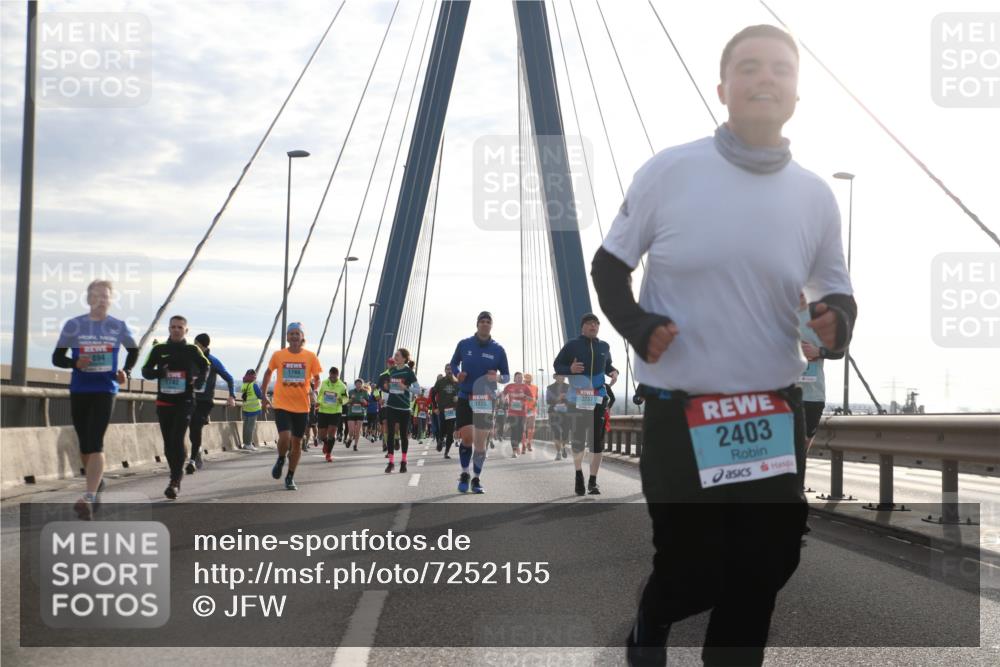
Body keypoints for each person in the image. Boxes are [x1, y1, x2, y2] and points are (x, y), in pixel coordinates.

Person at [590, 25, 856, 666]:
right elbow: (608, 267)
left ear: (796, 93)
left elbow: (838, 294)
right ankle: (651, 620)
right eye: (749, 67)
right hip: (683, 410)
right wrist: (636, 323)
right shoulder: (670, 171)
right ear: (723, 88)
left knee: (767, 563)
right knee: (694, 568)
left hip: (768, 407)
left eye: (780, 69)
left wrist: (835, 323)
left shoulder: (816, 196)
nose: (766, 78)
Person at [52, 279, 139, 519]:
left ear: (111, 300)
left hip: (106, 389)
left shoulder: (118, 326)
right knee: (84, 444)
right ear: (89, 299)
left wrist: (126, 372)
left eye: (106, 296)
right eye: (97, 296)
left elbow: (133, 350)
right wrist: (74, 362)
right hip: (80, 389)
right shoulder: (74, 325)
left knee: (96, 440)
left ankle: (88, 497)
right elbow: (57, 357)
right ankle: (97, 483)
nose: (101, 300)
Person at [141, 315, 209, 499]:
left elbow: (205, 366)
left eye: (180, 327)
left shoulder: (192, 349)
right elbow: (145, 370)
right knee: (168, 444)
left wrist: (199, 381)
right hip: (164, 401)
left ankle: (175, 480)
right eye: (173, 327)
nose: (176, 330)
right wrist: (158, 373)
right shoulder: (159, 349)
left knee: (177, 438)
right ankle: (176, 472)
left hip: (185, 401)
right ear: (169, 329)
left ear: (186, 330)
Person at [553, 314, 619, 495]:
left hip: (598, 398)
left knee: (596, 441)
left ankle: (593, 481)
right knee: (579, 440)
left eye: (596, 324)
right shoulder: (572, 345)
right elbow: (557, 365)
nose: (593, 326)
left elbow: (608, 366)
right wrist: (570, 370)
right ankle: (578, 474)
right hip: (577, 399)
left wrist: (613, 372)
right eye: (590, 323)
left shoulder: (604, 346)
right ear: (583, 327)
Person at [449, 311, 510, 494]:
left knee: (480, 443)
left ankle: (476, 478)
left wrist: (497, 378)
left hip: (485, 400)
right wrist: (457, 374)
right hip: (466, 397)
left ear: (491, 325)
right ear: (477, 324)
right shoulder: (464, 344)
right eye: (482, 321)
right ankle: (464, 473)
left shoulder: (498, 349)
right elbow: (453, 363)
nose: (485, 324)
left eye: (488, 322)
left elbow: (506, 376)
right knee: (467, 438)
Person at [260, 322, 323, 490]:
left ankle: (290, 476)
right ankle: (281, 459)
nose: (294, 336)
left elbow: (317, 379)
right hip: (282, 403)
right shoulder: (278, 355)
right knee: (285, 437)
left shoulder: (310, 357)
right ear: (287, 337)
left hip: (302, 406)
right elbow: (268, 373)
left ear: (302, 337)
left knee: (297, 443)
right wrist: (263, 396)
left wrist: (314, 390)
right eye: (291, 333)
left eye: (297, 333)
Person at [188, 333, 237, 473]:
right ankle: (197, 448)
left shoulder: (213, 361)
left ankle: (193, 457)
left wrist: (232, 396)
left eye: (196, 343)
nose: (194, 346)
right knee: (192, 429)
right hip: (190, 399)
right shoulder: (191, 359)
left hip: (205, 401)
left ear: (203, 346)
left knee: (196, 425)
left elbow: (229, 378)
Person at [383, 348, 419, 473]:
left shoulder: (409, 372)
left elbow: (418, 390)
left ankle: (404, 461)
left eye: (397, 355)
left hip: (404, 408)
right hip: (391, 406)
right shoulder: (391, 370)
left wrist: (406, 387)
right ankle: (391, 462)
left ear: (404, 358)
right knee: (391, 434)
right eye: (395, 355)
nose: (395, 357)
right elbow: (389, 386)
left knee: (404, 436)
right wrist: (387, 387)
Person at [316, 366, 348, 461]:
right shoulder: (324, 383)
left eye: (334, 377)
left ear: (337, 376)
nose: (332, 378)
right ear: (329, 375)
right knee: (322, 435)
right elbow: (320, 395)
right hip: (323, 411)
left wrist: (340, 400)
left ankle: (328, 454)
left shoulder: (342, 386)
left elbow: (346, 399)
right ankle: (325, 443)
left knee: (332, 433)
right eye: (331, 376)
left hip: (335, 412)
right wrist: (319, 402)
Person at [432, 364, 460, 458]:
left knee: (450, 432)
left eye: (451, 369)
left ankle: (446, 452)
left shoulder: (457, 382)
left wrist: (458, 398)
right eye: (448, 369)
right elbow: (432, 394)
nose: (449, 371)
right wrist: (435, 407)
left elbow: (462, 394)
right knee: (442, 429)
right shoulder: (440, 382)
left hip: (452, 410)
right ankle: (440, 440)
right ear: (445, 370)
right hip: (442, 410)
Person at [502, 372, 531, 457]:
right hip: (512, 412)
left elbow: (531, 399)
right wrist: (504, 401)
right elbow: (503, 394)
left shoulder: (525, 387)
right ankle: (514, 451)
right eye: (518, 377)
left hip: (522, 413)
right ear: (514, 378)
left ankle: (517, 444)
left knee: (521, 431)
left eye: (521, 377)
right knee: (514, 430)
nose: (519, 378)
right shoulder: (509, 386)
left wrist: (525, 396)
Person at [546, 374, 570, 460]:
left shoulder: (569, 387)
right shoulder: (550, 388)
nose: (562, 377)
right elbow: (548, 401)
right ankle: (558, 452)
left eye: (563, 376)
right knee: (556, 433)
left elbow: (573, 399)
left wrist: (566, 397)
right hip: (554, 413)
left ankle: (563, 447)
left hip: (566, 413)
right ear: (555, 377)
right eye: (560, 376)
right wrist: (558, 398)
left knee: (565, 434)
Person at [240, 369, 263, 450]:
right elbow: (260, 395)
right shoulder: (254, 385)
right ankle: (249, 444)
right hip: (253, 409)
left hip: (246, 408)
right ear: (253, 376)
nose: (255, 377)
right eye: (254, 375)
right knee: (250, 427)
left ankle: (245, 444)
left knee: (245, 427)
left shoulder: (244, 385)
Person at [345, 379, 368, 450]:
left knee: (357, 430)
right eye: (357, 383)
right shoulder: (351, 392)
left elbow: (367, 404)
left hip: (360, 413)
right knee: (351, 430)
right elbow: (346, 402)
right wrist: (351, 400)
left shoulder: (365, 392)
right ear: (355, 384)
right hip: (351, 413)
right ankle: (350, 439)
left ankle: (355, 445)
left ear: (362, 385)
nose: (358, 385)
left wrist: (364, 402)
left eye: (360, 384)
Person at [523, 372, 539, 452]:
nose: (527, 381)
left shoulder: (535, 387)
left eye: (529, 380)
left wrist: (534, 405)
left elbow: (536, 399)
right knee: (523, 428)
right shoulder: (521, 387)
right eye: (526, 380)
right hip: (523, 410)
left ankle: (529, 442)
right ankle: (523, 444)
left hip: (532, 409)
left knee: (531, 427)